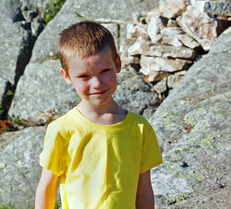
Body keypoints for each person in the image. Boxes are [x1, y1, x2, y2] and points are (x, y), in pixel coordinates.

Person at [35, 21, 163, 209]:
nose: (97, 83)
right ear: (67, 76)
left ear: (117, 64)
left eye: (104, 71)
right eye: (84, 76)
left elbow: (143, 191)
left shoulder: (140, 128)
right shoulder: (62, 130)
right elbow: (46, 188)